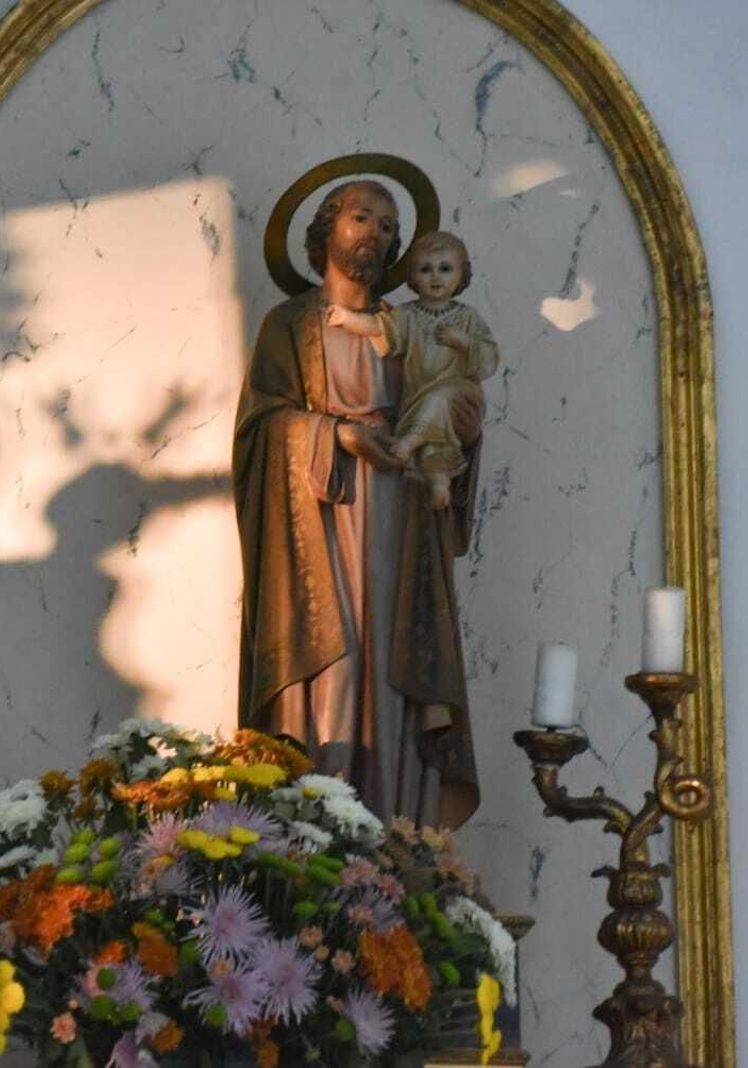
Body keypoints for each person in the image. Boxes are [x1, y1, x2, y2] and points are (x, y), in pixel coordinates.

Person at [232, 180, 482, 828]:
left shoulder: (412, 327)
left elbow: (448, 412)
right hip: (317, 524)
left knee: (395, 674)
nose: (374, 232)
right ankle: (317, 835)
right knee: (333, 670)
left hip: (402, 522)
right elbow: (259, 430)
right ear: (328, 229)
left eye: (388, 225)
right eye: (361, 217)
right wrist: (338, 435)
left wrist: (464, 428)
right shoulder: (289, 325)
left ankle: (398, 837)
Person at [327, 230, 500, 511]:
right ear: (413, 277)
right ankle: (438, 482)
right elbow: (378, 328)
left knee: (439, 400)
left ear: (461, 275)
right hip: (420, 396)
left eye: (445, 269)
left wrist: (465, 342)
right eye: (425, 269)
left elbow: (489, 357)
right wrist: (346, 318)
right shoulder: (407, 315)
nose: (435, 277)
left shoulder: (468, 318)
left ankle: (411, 440)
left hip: (461, 393)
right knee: (434, 444)